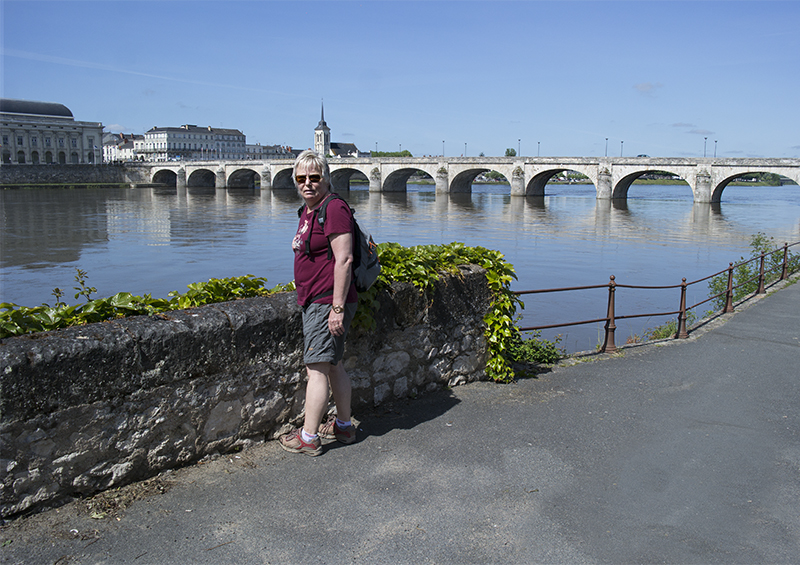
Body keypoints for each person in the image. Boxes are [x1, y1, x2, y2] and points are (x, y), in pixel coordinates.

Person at [280, 150, 359, 456]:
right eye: (301, 178)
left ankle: (309, 437)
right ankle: (343, 426)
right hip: (316, 297)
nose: (307, 183)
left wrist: (336, 308)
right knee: (335, 364)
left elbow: (345, 259)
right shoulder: (309, 209)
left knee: (316, 369)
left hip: (326, 301)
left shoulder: (334, 207)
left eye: (314, 177)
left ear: (326, 178)